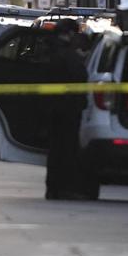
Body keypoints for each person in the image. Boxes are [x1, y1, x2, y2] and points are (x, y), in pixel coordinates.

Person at [45, 19, 91, 200]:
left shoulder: (49, 51)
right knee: (66, 149)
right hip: (67, 109)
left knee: (55, 149)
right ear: (69, 33)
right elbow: (80, 76)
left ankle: (53, 187)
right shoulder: (67, 55)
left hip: (54, 108)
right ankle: (62, 187)